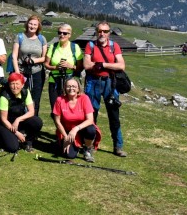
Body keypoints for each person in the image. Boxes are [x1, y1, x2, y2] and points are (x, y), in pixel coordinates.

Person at [83, 21, 127, 157]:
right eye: (100, 31)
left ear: (109, 33)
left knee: (114, 115)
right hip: (93, 82)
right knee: (91, 115)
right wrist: (102, 65)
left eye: (105, 31)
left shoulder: (115, 46)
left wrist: (102, 65)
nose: (102, 34)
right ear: (96, 32)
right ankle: (90, 145)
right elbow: (86, 65)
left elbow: (121, 66)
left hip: (110, 83)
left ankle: (118, 146)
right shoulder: (90, 45)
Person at [52, 77, 100, 162]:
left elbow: (90, 119)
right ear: (65, 88)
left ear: (78, 88)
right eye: (68, 86)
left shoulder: (84, 98)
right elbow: (57, 121)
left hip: (82, 129)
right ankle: (71, 145)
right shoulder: (60, 100)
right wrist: (66, 138)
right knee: (70, 155)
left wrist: (75, 129)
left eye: (74, 86)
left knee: (91, 129)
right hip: (66, 131)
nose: (71, 88)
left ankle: (87, 148)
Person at [0, 72, 43, 153]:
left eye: (17, 84)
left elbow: (32, 111)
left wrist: (18, 120)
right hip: (6, 124)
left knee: (37, 122)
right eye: (12, 84)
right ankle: (13, 137)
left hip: (17, 120)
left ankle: (28, 142)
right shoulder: (4, 97)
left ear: (22, 85)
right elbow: (3, 119)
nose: (15, 87)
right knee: (13, 148)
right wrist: (16, 133)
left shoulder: (26, 92)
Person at [11, 15, 47, 115]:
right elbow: (14, 56)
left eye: (35, 24)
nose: (32, 26)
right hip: (22, 72)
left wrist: (33, 61)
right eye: (31, 23)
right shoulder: (20, 37)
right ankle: (20, 120)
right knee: (21, 96)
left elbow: (44, 58)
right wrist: (18, 73)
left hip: (37, 72)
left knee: (36, 98)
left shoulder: (41, 38)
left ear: (38, 26)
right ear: (27, 24)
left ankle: (34, 120)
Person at [44, 23, 83, 114]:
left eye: (65, 33)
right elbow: (46, 64)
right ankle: (59, 127)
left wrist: (71, 66)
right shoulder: (53, 47)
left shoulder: (75, 47)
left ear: (69, 35)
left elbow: (81, 67)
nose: (61, 35)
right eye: (59, 32)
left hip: (70, 81)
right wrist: (56, 67)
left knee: (70, 107)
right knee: (55, 108)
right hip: (54, 80)